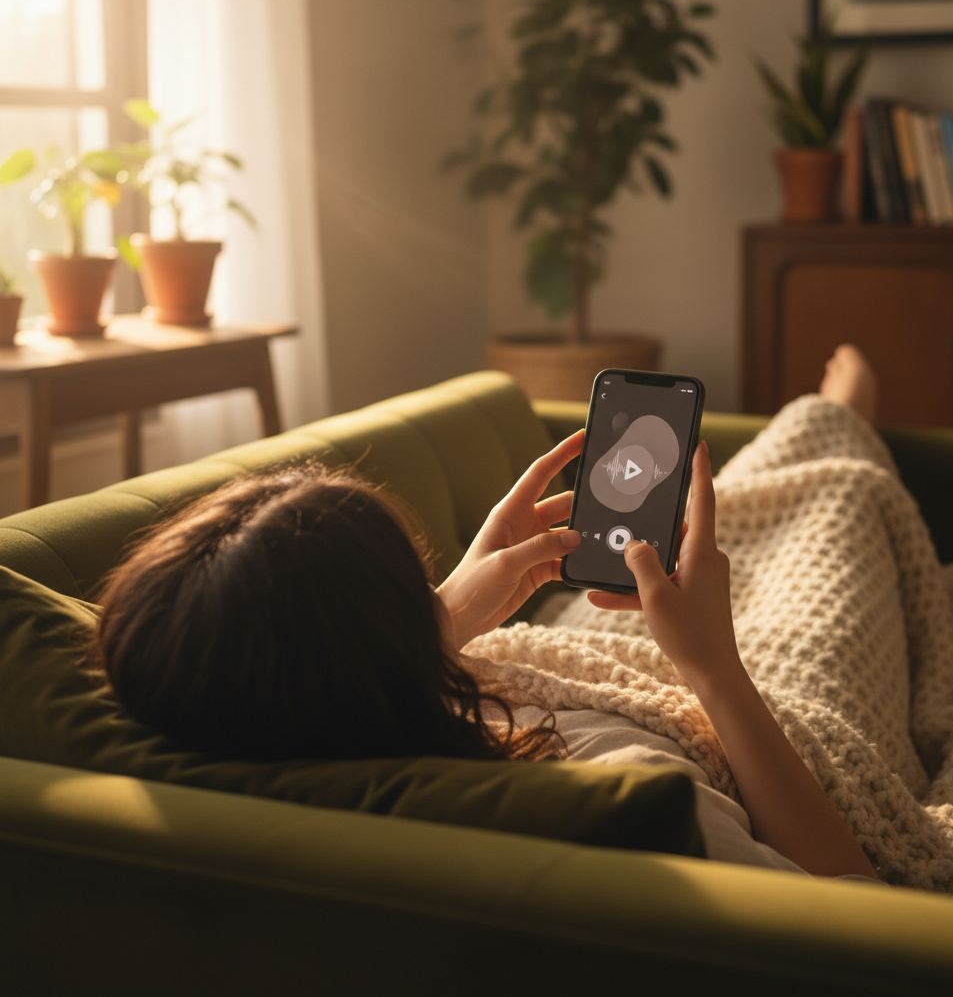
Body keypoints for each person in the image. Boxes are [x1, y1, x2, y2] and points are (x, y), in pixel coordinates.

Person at [89, 345, 882, 882]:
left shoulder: (269, 714)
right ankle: (838, 414)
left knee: (727, 515)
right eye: (415, 584)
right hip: (760, 695)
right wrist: (714, 668)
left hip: (584, 648)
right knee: (830, 502)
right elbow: (864, 928)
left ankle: (821, 419)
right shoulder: (630, 799)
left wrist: (445, 613)